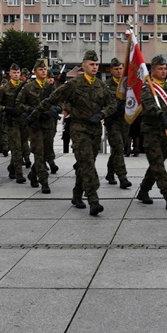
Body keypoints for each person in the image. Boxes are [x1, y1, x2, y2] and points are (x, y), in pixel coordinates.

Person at [37, 50, 117, 215]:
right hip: (79, 129)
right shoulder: (74, 84)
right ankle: (93, 200)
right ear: (84, 65)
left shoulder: (101, 85)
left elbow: (112, 103)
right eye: (91, 64)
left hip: (95, 129)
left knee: (85, 164)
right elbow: (53, 98)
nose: (95, 67)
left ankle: (76, 195)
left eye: (96, 64)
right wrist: (34, 114)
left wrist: (102, 114)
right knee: (88, 164)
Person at [135, 55, 167, 210]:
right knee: (158, 165)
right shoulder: (147, 88)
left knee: (156, 164)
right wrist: (160, 114)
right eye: (160, 68)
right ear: (152, 70)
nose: (163, 71)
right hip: (152, 131)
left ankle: (143, 190)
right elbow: (148, 105)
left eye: (165, 68)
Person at [17, 60, 54, 193]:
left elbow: (61, 102)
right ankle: (44, 181)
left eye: (44, 69)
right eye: (40, 69)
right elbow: (19, 104)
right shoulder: (28, 88)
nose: (43, 71)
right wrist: (31, 110)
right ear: (35, 72)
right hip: (35, 125)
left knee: (46, 153)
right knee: (38, 152)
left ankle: (33, 174)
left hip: (48, 124)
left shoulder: (51, 87)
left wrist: (55, 109)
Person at [104, 58, 132, 189]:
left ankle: (110, 173)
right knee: (118, 146)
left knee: (118, 149)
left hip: (124, 120)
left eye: (121, 68)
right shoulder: (106, 85)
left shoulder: (128, 84)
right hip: (112, 121)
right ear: (111, 70)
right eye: (116, 69)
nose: (119, 71)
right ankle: (123, 177)